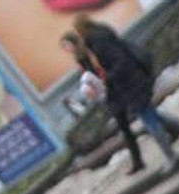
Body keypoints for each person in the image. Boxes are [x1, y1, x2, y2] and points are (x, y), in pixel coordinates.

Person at [73, 13, 179, 174]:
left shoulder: (98, 42)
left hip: (130, 83)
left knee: (149, 121)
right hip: (133, 80)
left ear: (81, 30)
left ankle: (171, 156)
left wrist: (108, 79)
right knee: (152, 115)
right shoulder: (101, 35)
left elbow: (119, 61)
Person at [58, 30, 146, 167]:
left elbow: (98, 70)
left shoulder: (87, 53)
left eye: (66, 45)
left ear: (73, 42)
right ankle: (138, 161)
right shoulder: (79, 57)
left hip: (114, 89)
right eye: (64, 48)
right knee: (128, 125)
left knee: (143, 114)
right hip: (107, 92)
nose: (66, 50)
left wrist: (95, 82)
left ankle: (172, 128)